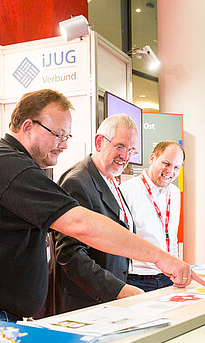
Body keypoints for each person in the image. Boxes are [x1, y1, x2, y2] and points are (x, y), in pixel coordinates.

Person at [0, 89, 204, 331]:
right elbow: (81, 226)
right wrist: (162, 258)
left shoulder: (22, 166)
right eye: (58, 134)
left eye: (67, 136)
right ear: (27, 126)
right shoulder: (10, 166)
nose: (65, 144)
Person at [51, 114, 143, 313]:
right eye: (120, 147)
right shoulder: (77, 182)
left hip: (108, 302)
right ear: (99, 142)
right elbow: (70, 254)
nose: (126, 157)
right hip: (85, 304)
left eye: (131, 150)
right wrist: (117, 289)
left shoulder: (110, 179)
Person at [120, 141, 184, 292]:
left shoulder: (174, 193)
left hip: (168, 276)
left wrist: (176, 264)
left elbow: (172, 235)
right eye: (166, 164)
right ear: (152, 159)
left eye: (176, 167)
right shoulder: (127, 191)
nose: (170, 171)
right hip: (137, 278)